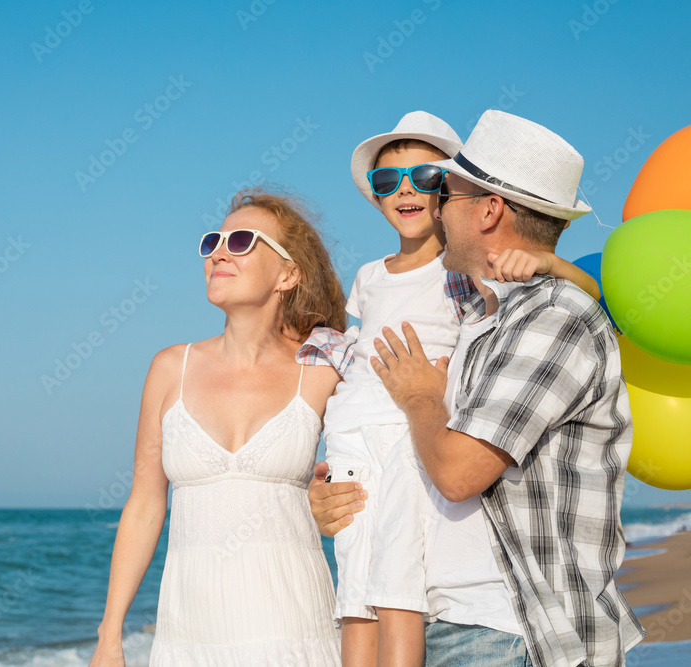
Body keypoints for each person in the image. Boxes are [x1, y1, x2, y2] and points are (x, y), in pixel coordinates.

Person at [314, 110, 645, 666]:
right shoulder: (478, 314)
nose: (437, 204)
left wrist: (419, 397)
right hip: (451, 619)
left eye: (447, 189)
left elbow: (459, 472)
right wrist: (340, 486)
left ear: (489, 209)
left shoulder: (552, 317)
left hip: (505, 631)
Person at [90, 189, 347, 666]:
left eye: (244, 240)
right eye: (213, 242)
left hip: (295, 632)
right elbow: (146, 504)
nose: (219, 253)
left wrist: (329, 493)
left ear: (288, 273)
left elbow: (380, 455)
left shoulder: (324, 365)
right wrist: (110, 635)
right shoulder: (171, 368)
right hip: (187, 637)